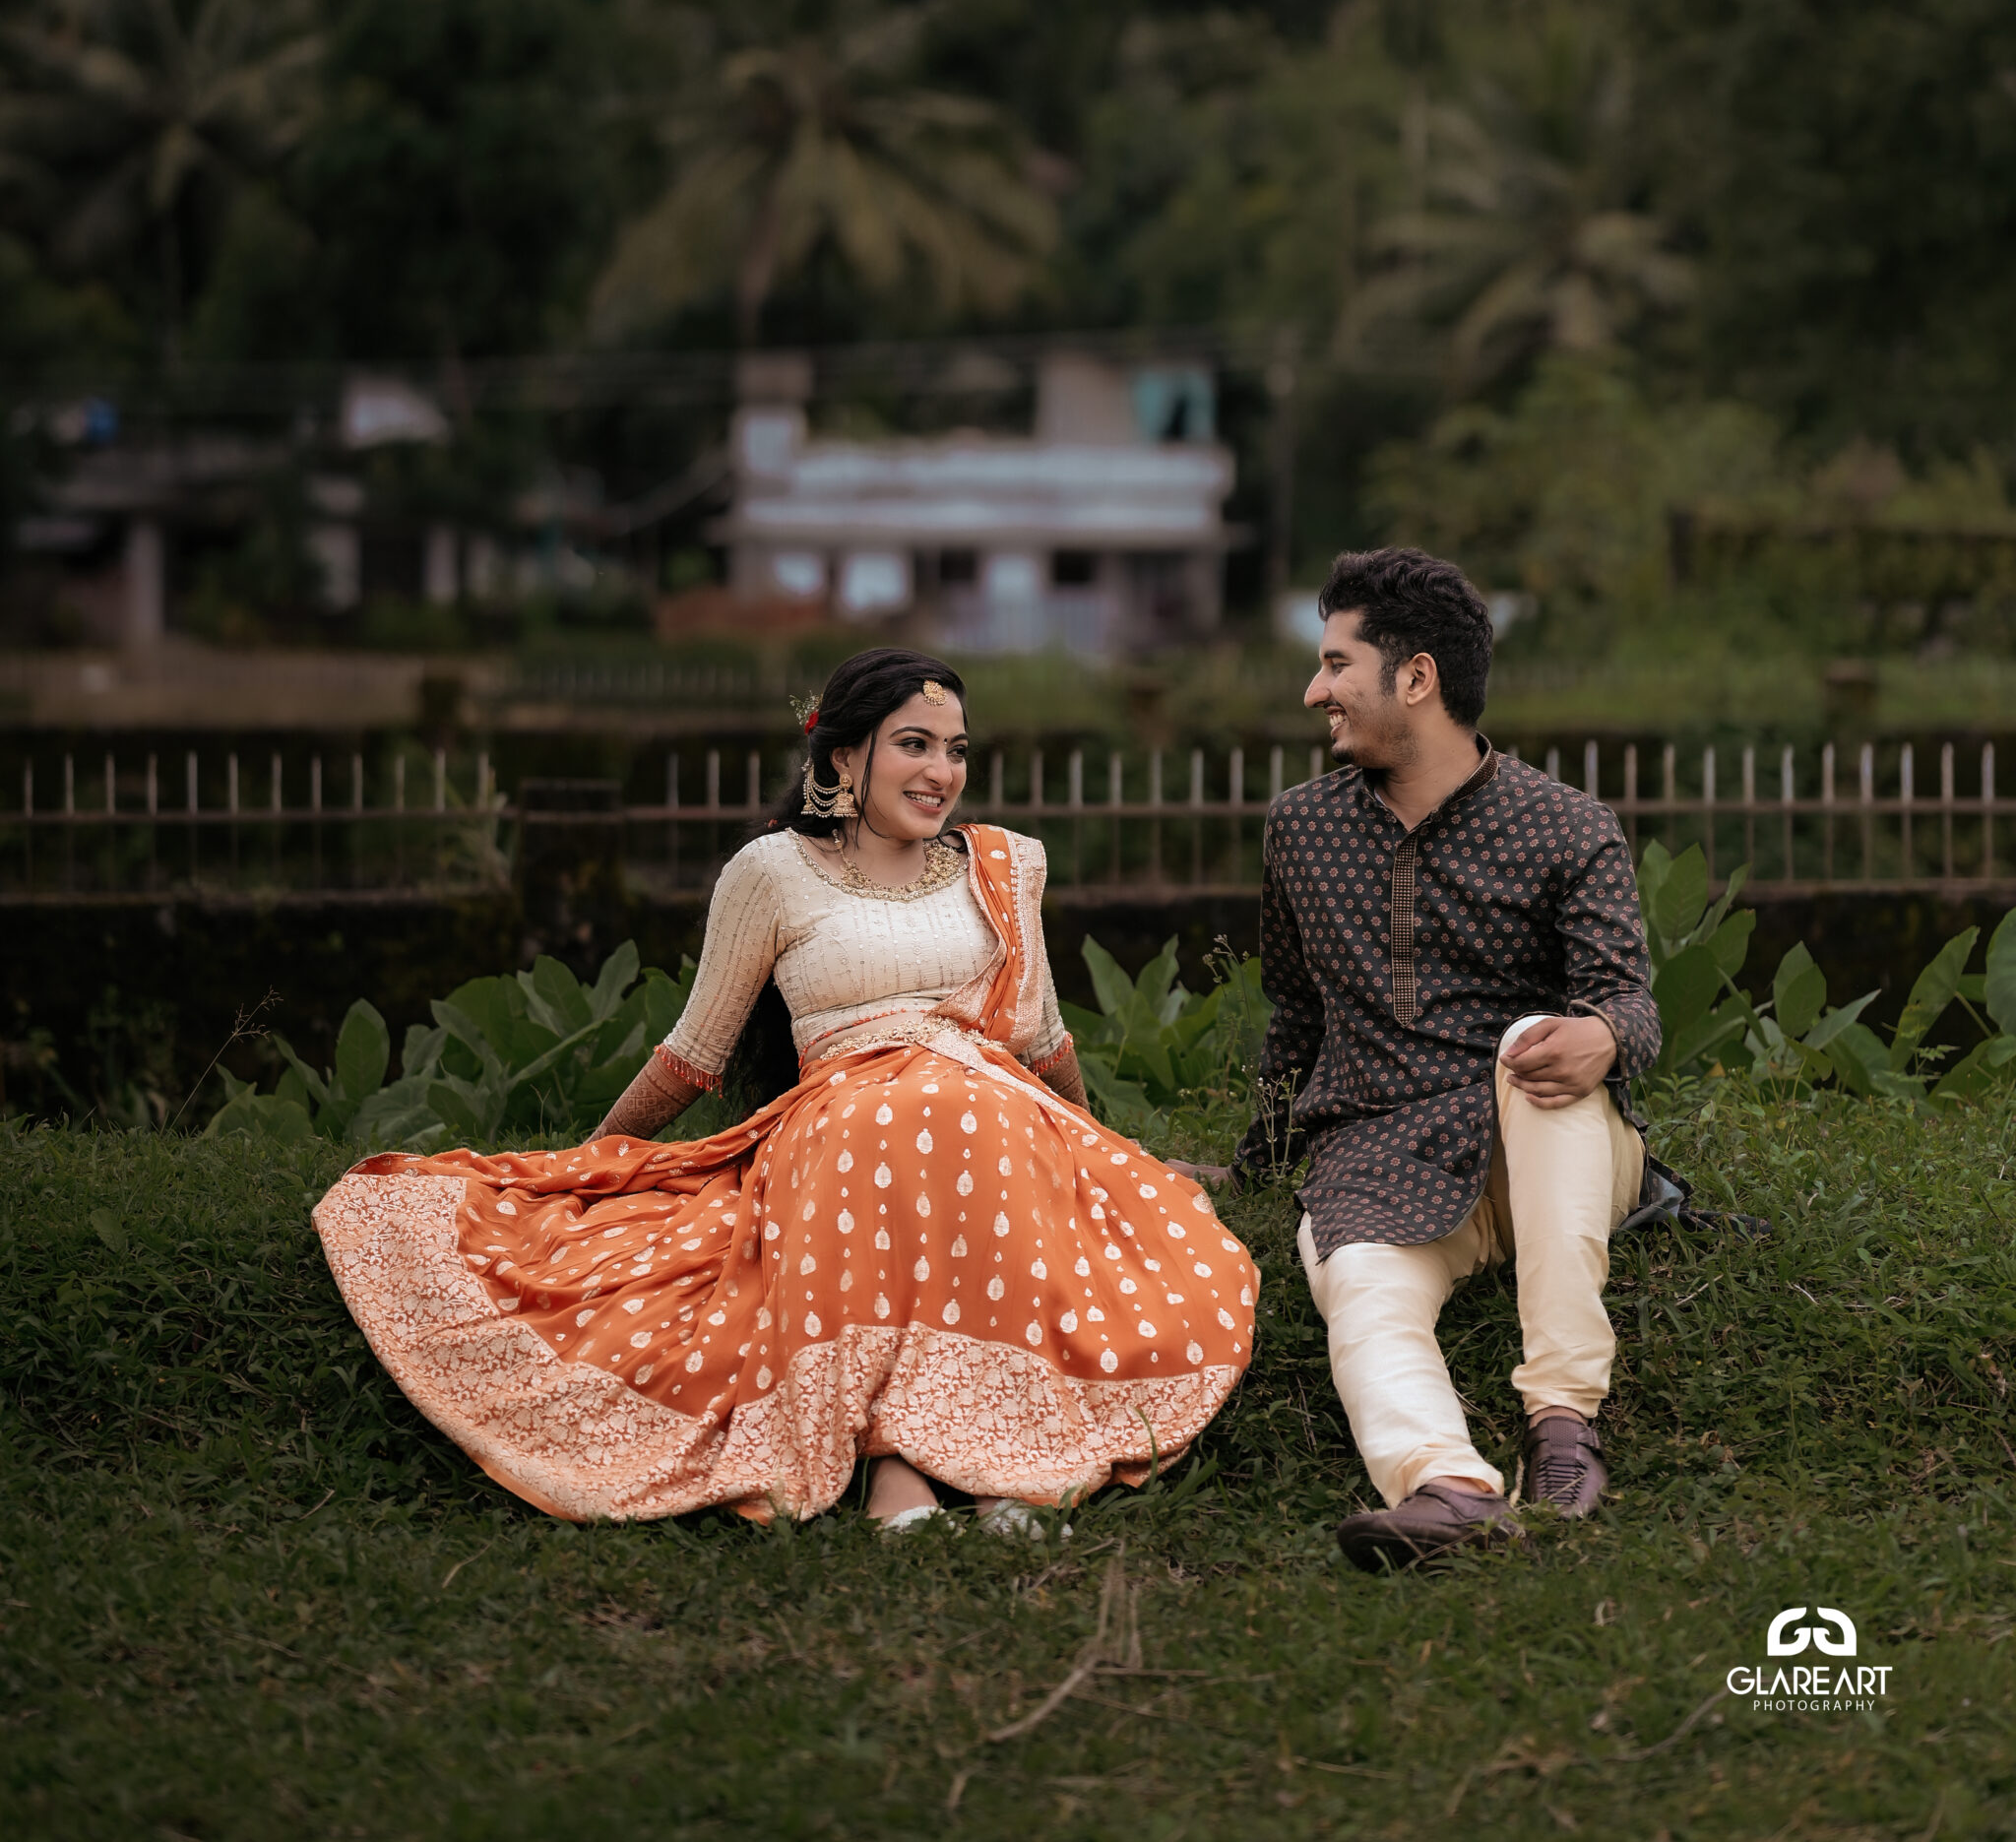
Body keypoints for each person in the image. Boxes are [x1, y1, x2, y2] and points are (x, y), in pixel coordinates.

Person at [314, 647, 1257, 1529]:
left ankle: (984, 1458)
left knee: (976, 1122)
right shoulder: (771, 873)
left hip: (996, 1112)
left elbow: (1043, 1039)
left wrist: (1102, 1152)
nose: (942, 772)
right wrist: (594, 1161)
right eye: (915, 745)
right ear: (844, 759)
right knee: (892, 1130)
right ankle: (914, 1462)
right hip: (841, 1121)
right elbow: (694, 1053)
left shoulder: (1004, 867)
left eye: (957, 751)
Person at [1185, 547, 1665, 1569]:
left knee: (1531, 1056)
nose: (1313, 689)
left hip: (1543, 1145)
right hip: (1379, 1153)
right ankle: (1445, 1485)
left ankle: (1562, 1422)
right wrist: (1258, 1160)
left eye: (1334, 664)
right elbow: (1296, 1016)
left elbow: (1626, 996)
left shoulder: (1566, 826)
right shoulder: (1300, 830)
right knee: (1354, 1278)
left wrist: (1604, 1034)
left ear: (1415, 678)